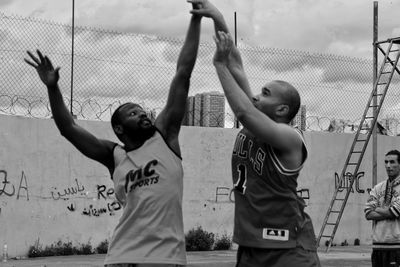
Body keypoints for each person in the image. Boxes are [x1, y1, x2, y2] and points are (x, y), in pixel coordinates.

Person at [24, 4, 203, 267]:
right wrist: (53, 87)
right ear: (119, 128)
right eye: (132, 113)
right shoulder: (115, 156)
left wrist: (196, 18)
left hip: (166, 258)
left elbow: (183, 73)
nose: (142, 114)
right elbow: (68, 129)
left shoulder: (165, 138)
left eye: (142, 111)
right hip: (121, 257)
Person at [189, 1, 320, 266]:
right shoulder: (256, 121)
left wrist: (218, 66)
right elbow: (235, 63)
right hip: (251, 243)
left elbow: (243, 112)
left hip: (288, 247)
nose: (256, 97)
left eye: (265, 94)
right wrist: (217, 17)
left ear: (282, 109)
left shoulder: (289, 137)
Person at [365, 150, 400, 267]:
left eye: (392, 162)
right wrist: (388, 210)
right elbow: (368, 213)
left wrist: (378, 208)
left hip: (396, 246)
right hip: (377, 246)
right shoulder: (378, 187)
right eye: (386, 162)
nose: (388, 166)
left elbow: (394, 212)